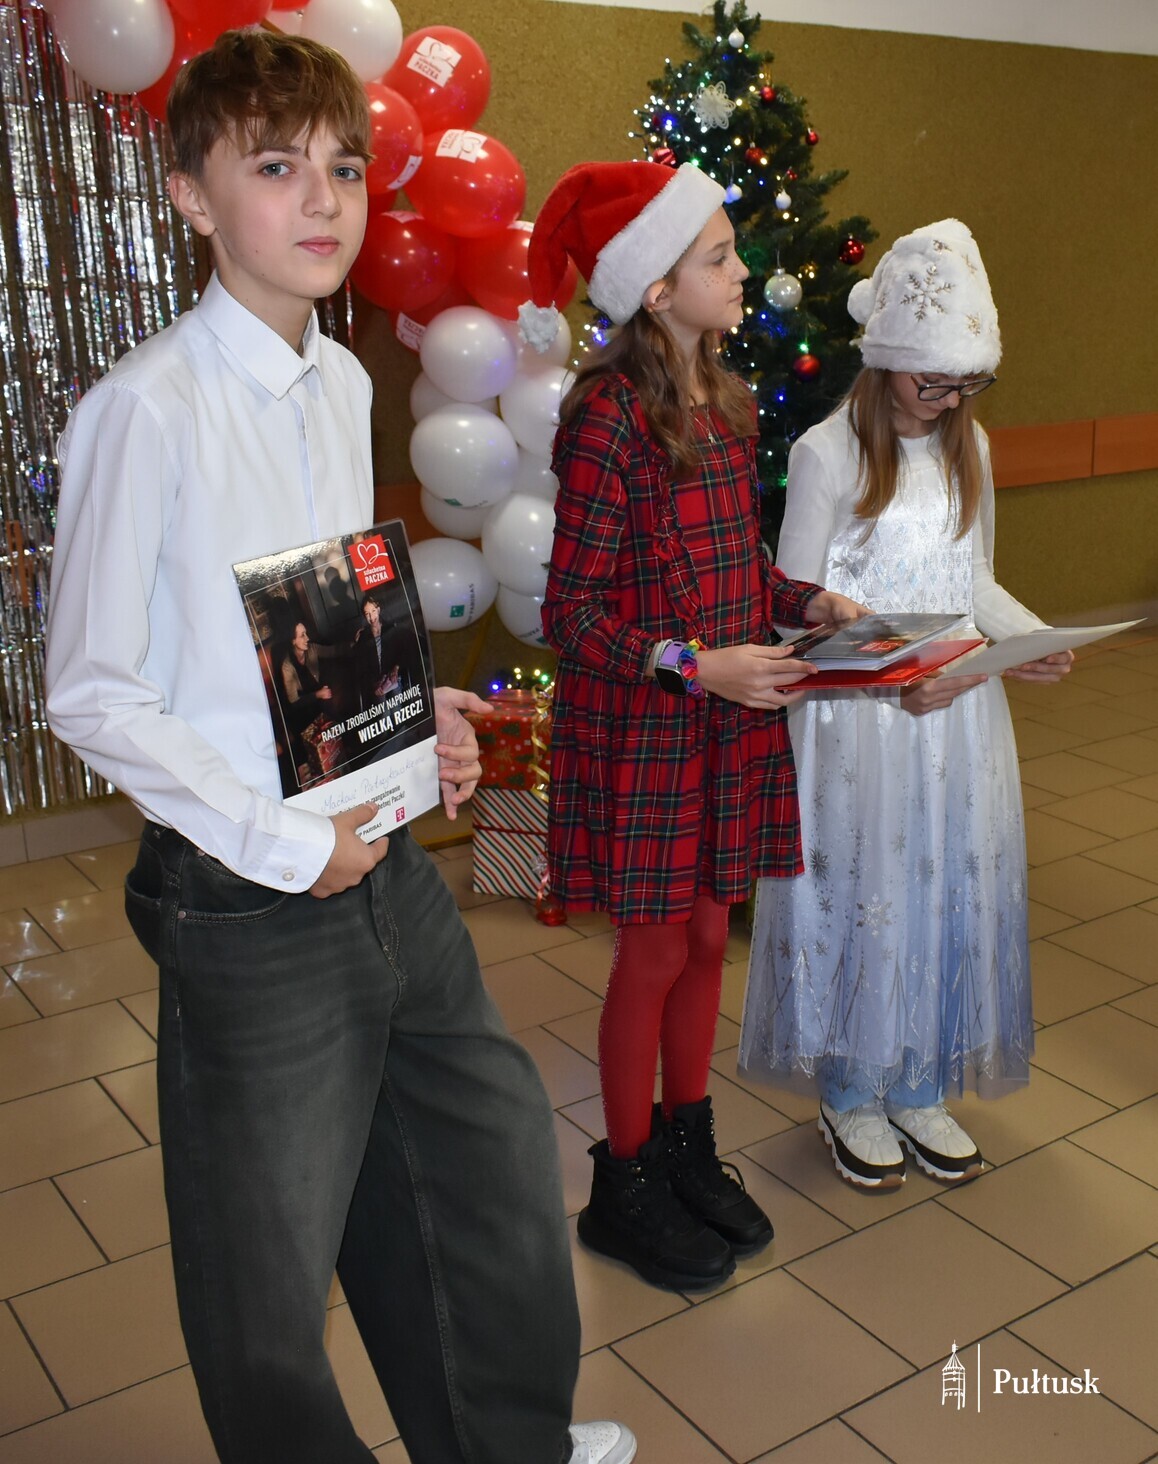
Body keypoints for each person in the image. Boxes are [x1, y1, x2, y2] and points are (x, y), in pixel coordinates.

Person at [45, 31, 633, 1464]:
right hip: (251, 893)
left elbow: (325, 621)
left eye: (346, 167)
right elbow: (92, 690)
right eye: (274, 167)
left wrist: (410, 720)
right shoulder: (144, 410)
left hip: (380, 856)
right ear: (190, 195)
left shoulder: (340, 384)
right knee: (266, 1273)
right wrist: (282, 842)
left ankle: (504, 1447)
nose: (324, 199)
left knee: (485, 1161)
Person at [520, 161, 865, 1292]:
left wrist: (803, 602)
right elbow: (571, 616)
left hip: (726, 725)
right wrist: (691, 666)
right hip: (652, 729)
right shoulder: (606, 419)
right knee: (658, 950)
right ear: (655, 290)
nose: (742, 269)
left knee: (712, 939)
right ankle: (622, 1184)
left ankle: (684, 1144)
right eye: (719, 256)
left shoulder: (727, 400)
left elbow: (737, 567)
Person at [739, 219, 1073, 1190]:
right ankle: (851, 1089)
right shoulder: (827, 455)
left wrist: (1029, 638)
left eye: (967, 385)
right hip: (862, 729)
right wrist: (891, 672)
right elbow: (796, 611)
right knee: (866, 895)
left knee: (941, 890)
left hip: (955, 716)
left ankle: (919, 1081)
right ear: (886, 360)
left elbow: (976, 581)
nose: (950, 401)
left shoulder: (973, 450)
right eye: (934, 382)